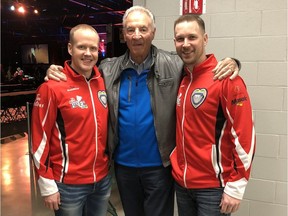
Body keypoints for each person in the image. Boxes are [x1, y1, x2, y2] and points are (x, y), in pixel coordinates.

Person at [45, 6, 241, 216]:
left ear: (153, 32)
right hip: (123, 166)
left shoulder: (175, 64)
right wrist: (55, 70)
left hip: (160, 166)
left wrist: (234, 62)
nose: (136, 35)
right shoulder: (107, 69)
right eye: (130, 30)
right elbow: (80, 74)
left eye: (143, 29)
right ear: (123, 34)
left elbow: (201, 68)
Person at [170, 14, 256, 216]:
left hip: (213, 188)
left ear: (205, 39)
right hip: (182, 185)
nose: (186, 44)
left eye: (192, 37)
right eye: (180, 39)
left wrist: (237, 186)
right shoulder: (181, 78)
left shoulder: (227, 79)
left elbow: (244, 135)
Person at [31, 24, 111, 216]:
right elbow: (39, 138)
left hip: (101, 180)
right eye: (81, 47)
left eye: (93, 48)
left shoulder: (103, 81)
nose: (88, 53)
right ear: (70, 48)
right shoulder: (52, 87)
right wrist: (46, 183)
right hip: (68, 185)